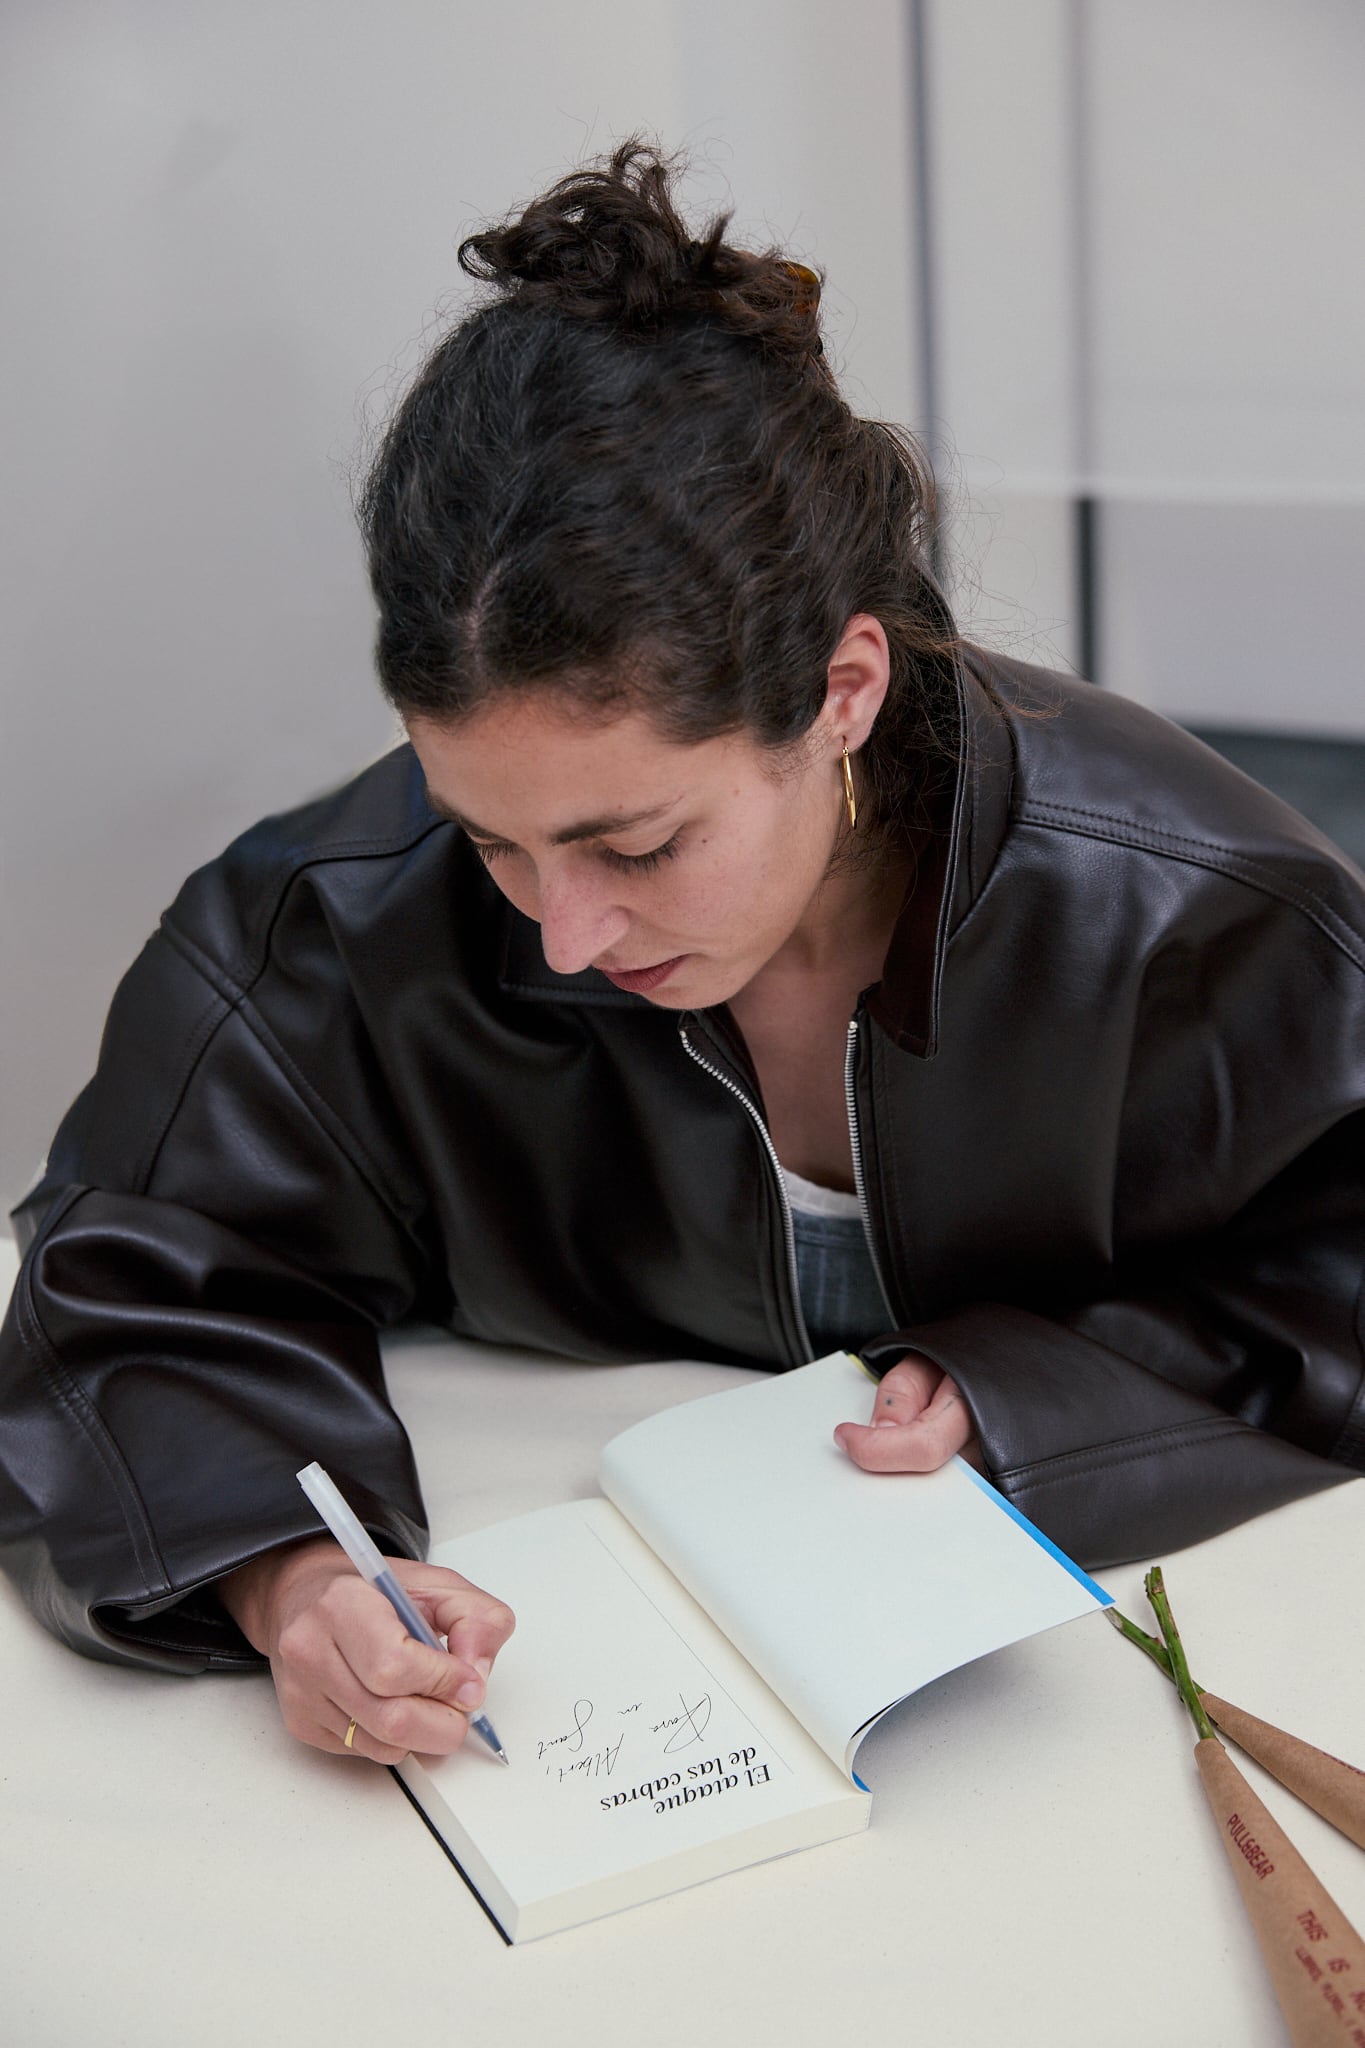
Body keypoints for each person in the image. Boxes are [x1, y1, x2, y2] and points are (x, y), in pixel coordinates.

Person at [2, 143, 1363, 1770]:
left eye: (637, 846)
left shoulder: (1200, 921)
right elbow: (130, 1291)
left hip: (1085, 1733)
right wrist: (291, 1583)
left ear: (841, 691)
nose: (563, 932)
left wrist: (1042, 1399)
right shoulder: (335, 921)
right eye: (492, 835)